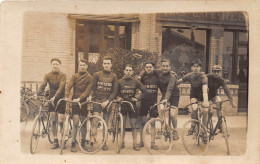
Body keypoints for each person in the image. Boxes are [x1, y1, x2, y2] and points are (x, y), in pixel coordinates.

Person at [33, 58, 66, 149]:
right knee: (53, 120)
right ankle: (55, 140)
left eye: (57, 64)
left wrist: (55, 97)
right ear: (51, 65)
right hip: (51, 99)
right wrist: (37, 94)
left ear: (60, 65)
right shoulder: (47, 75)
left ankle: (62, 139)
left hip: (61, 99)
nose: (55, 66)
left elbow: (61, 87)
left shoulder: (63, 75)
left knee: (60, 120)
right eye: (53, 64)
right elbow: (43, 85)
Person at [88, 55, 118, 151]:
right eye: (104, 63)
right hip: (97, 100)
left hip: (107, 101)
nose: (106, 65)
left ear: (111, 65)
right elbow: (93, 88)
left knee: (105, 122)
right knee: (95, 120)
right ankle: (92, 139)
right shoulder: (97, 74)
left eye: (108, 63)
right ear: (102, 64)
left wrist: (108, 101)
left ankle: (104, 142)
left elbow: (114, 91)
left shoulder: (114, 76)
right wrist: (90, 96)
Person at [116, 64, 149, 151]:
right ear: (124, 71)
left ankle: (135, 143)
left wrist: (138, 99)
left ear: (132, 72)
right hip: (123, 105)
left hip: (132, 106)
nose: (128, 72)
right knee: (122, 126)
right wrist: (118, 98)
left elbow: (145, 91)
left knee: (133, 125)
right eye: (126, 70)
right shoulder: (119, 82)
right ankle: (122, 142)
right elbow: (115, 93)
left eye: (130, 70)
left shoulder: (136, 81)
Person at [177, 59, 209, 143]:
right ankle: (193, 126)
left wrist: (205, 102)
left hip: (203, 96)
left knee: (205, 110)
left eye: (197, 67)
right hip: (194, 96)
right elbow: (179, 81)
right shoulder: (189, 75)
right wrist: (171, 82)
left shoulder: (203, 77)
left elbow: (205, 91)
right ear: (191, 68)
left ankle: (204, 131)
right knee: (194, 108)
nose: (195, 68)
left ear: (200, 68)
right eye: (194, 66)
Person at [64, 59, 93, 152]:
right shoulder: (74, 76)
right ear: (78, 66)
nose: (82, 67)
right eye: (80, 65)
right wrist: (66, 96)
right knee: (76, 122)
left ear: (87, 67)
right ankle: (73, 143)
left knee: (84, 123)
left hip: (84, 102)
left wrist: (80, 99)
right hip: (75, 102)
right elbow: (69, 86)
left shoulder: (89, 77)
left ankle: (83, 143)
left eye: (84, 65)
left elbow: (87, 91)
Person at [156, 58, 180, 140]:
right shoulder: (158, 73)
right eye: (163, 66)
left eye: (167, 66)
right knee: (161, 109)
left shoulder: (172, 76)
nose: (165, 68)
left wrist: (166, 98)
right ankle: (162, 128)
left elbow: (170, 88)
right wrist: (140, 76)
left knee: (172, 114)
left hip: (174, 95)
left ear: (170, 67)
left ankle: (175, 130)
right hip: (164, 95)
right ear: (160, 66)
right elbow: (147, 71)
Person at [138, 61, 159, 150]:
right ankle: (141, 142)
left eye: (150, 67)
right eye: (147, 67)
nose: (148, 68)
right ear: (145, 68)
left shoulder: (157, 76)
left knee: (153, 122)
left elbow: (163, 73)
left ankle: (153, 143)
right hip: (144, 101)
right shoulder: (143, 77)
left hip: (153, 102)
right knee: (142, 122)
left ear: (153, 68)